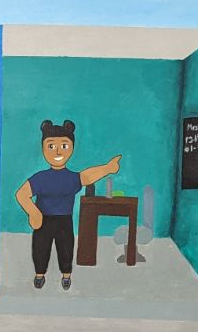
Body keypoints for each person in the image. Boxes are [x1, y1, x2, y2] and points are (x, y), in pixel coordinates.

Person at [15, 118, 121, 290]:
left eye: (63, 146)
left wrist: (108, 168)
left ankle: (66, 276)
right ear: (43, 148)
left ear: (71, 148)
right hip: (43, 221)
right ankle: (39, 274)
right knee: (40, 249)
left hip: (65, 220)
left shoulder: (72, 178)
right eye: (51, 146)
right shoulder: (40, 177)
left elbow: (87, 176)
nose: (57, 150)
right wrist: (33, 213)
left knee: (66, 249)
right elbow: (21, 194)